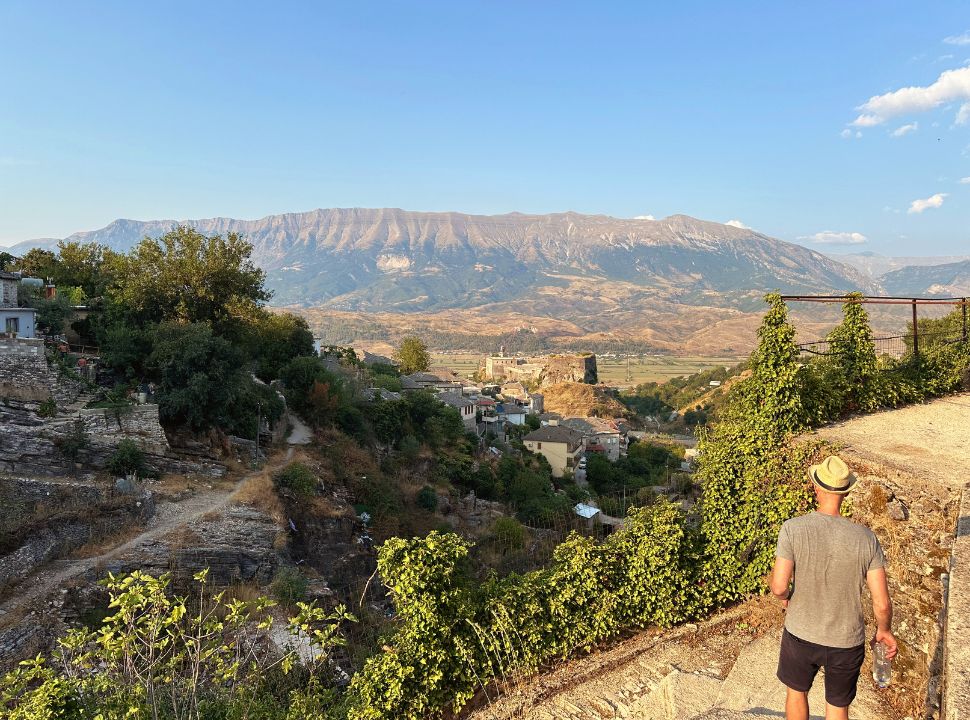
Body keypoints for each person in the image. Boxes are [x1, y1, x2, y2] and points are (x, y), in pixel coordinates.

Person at [769, 455, 898, 720]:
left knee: (796, 693)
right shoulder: (866, 539)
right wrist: (883, 630)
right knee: (838, 706)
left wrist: (787, 599)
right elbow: (882, 603)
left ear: (816, 487)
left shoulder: (792, 529)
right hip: (846, 640)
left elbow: (779, 586)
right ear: (847, 492)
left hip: (800, 632)